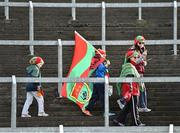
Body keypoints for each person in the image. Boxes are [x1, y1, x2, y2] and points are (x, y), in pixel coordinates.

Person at [117, 35, 151, 112]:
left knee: (140, 89)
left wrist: (144, 62)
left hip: (139, 72)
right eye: (140, 42)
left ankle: (142, 105)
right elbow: (134, 62)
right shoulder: (132, 51)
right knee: (133, 89)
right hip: (132, 72)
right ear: (136, 43)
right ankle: (123, 101)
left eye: (143, 42)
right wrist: (142, 57)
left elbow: (140, 61)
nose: (142, 44)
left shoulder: (140, 50)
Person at [114, 50, 144, 126]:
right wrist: (130, 89)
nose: (136, 58)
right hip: (132, 90)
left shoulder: (131, 66)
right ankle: (136, 122)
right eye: (135, 57)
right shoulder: (129, 66)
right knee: (134, 107)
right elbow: (128, 79)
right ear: (130, 58)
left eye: (137, 57)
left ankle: (118, 120)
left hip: (133, 89)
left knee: (128, 107)